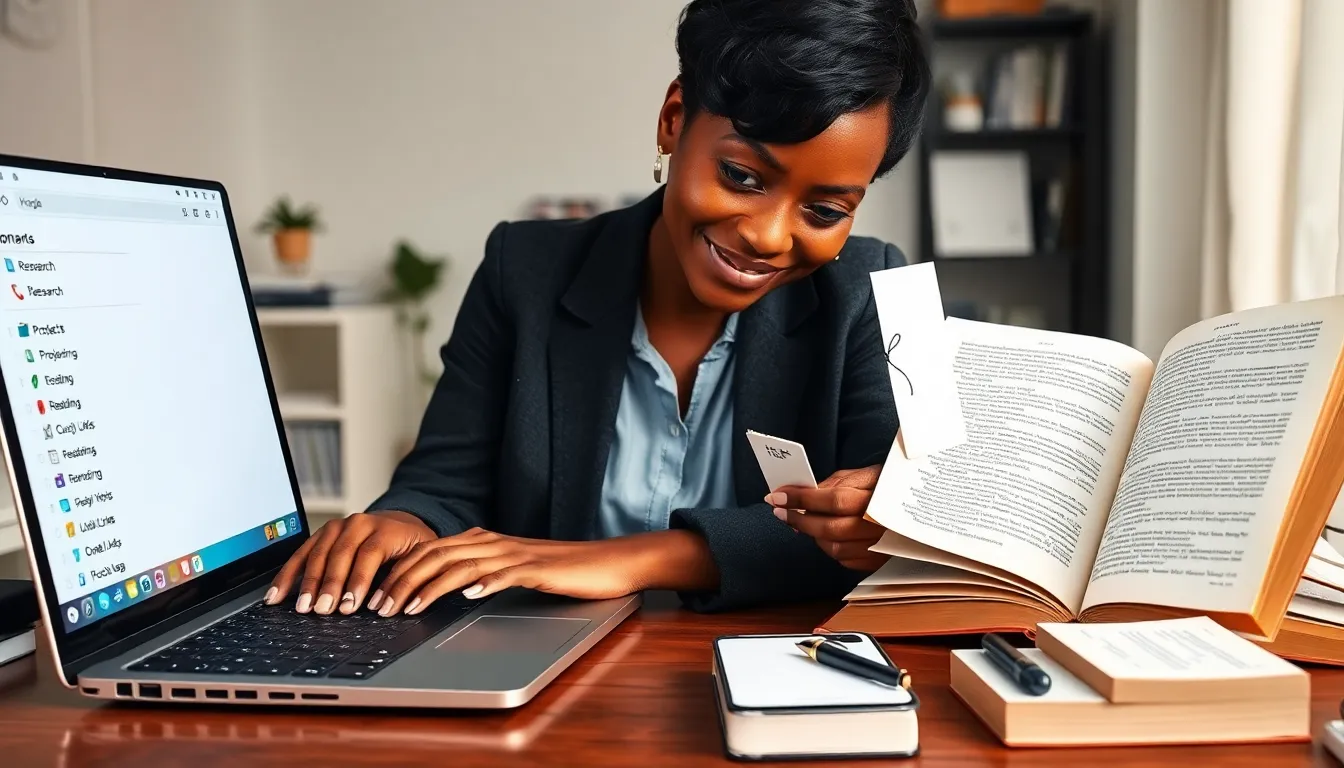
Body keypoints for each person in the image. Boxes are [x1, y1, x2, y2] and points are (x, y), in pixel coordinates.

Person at [266, 0, 931, 617]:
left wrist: (630, 561)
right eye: (741, 176)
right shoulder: (521, 269)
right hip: (542, 686)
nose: (768, 234)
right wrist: (401, 524)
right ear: (675, 120)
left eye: (823, 210)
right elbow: (443, 486)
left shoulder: (879, 285)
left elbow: (897, 529)